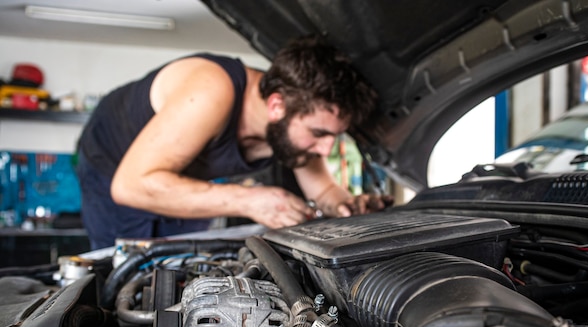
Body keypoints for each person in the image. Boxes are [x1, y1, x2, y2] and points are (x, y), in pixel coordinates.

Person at [77, 35, 392, 250]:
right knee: (127, 273)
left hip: (177, 176)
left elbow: (322, 191)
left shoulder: (294, 121)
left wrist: (348, 205)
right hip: (116, 168)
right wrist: (249, 200)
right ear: (276, 106)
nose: (325, 149)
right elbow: (131, 186)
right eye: (319, 134)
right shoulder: (210, 91)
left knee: (179, 267)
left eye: (333, 136)